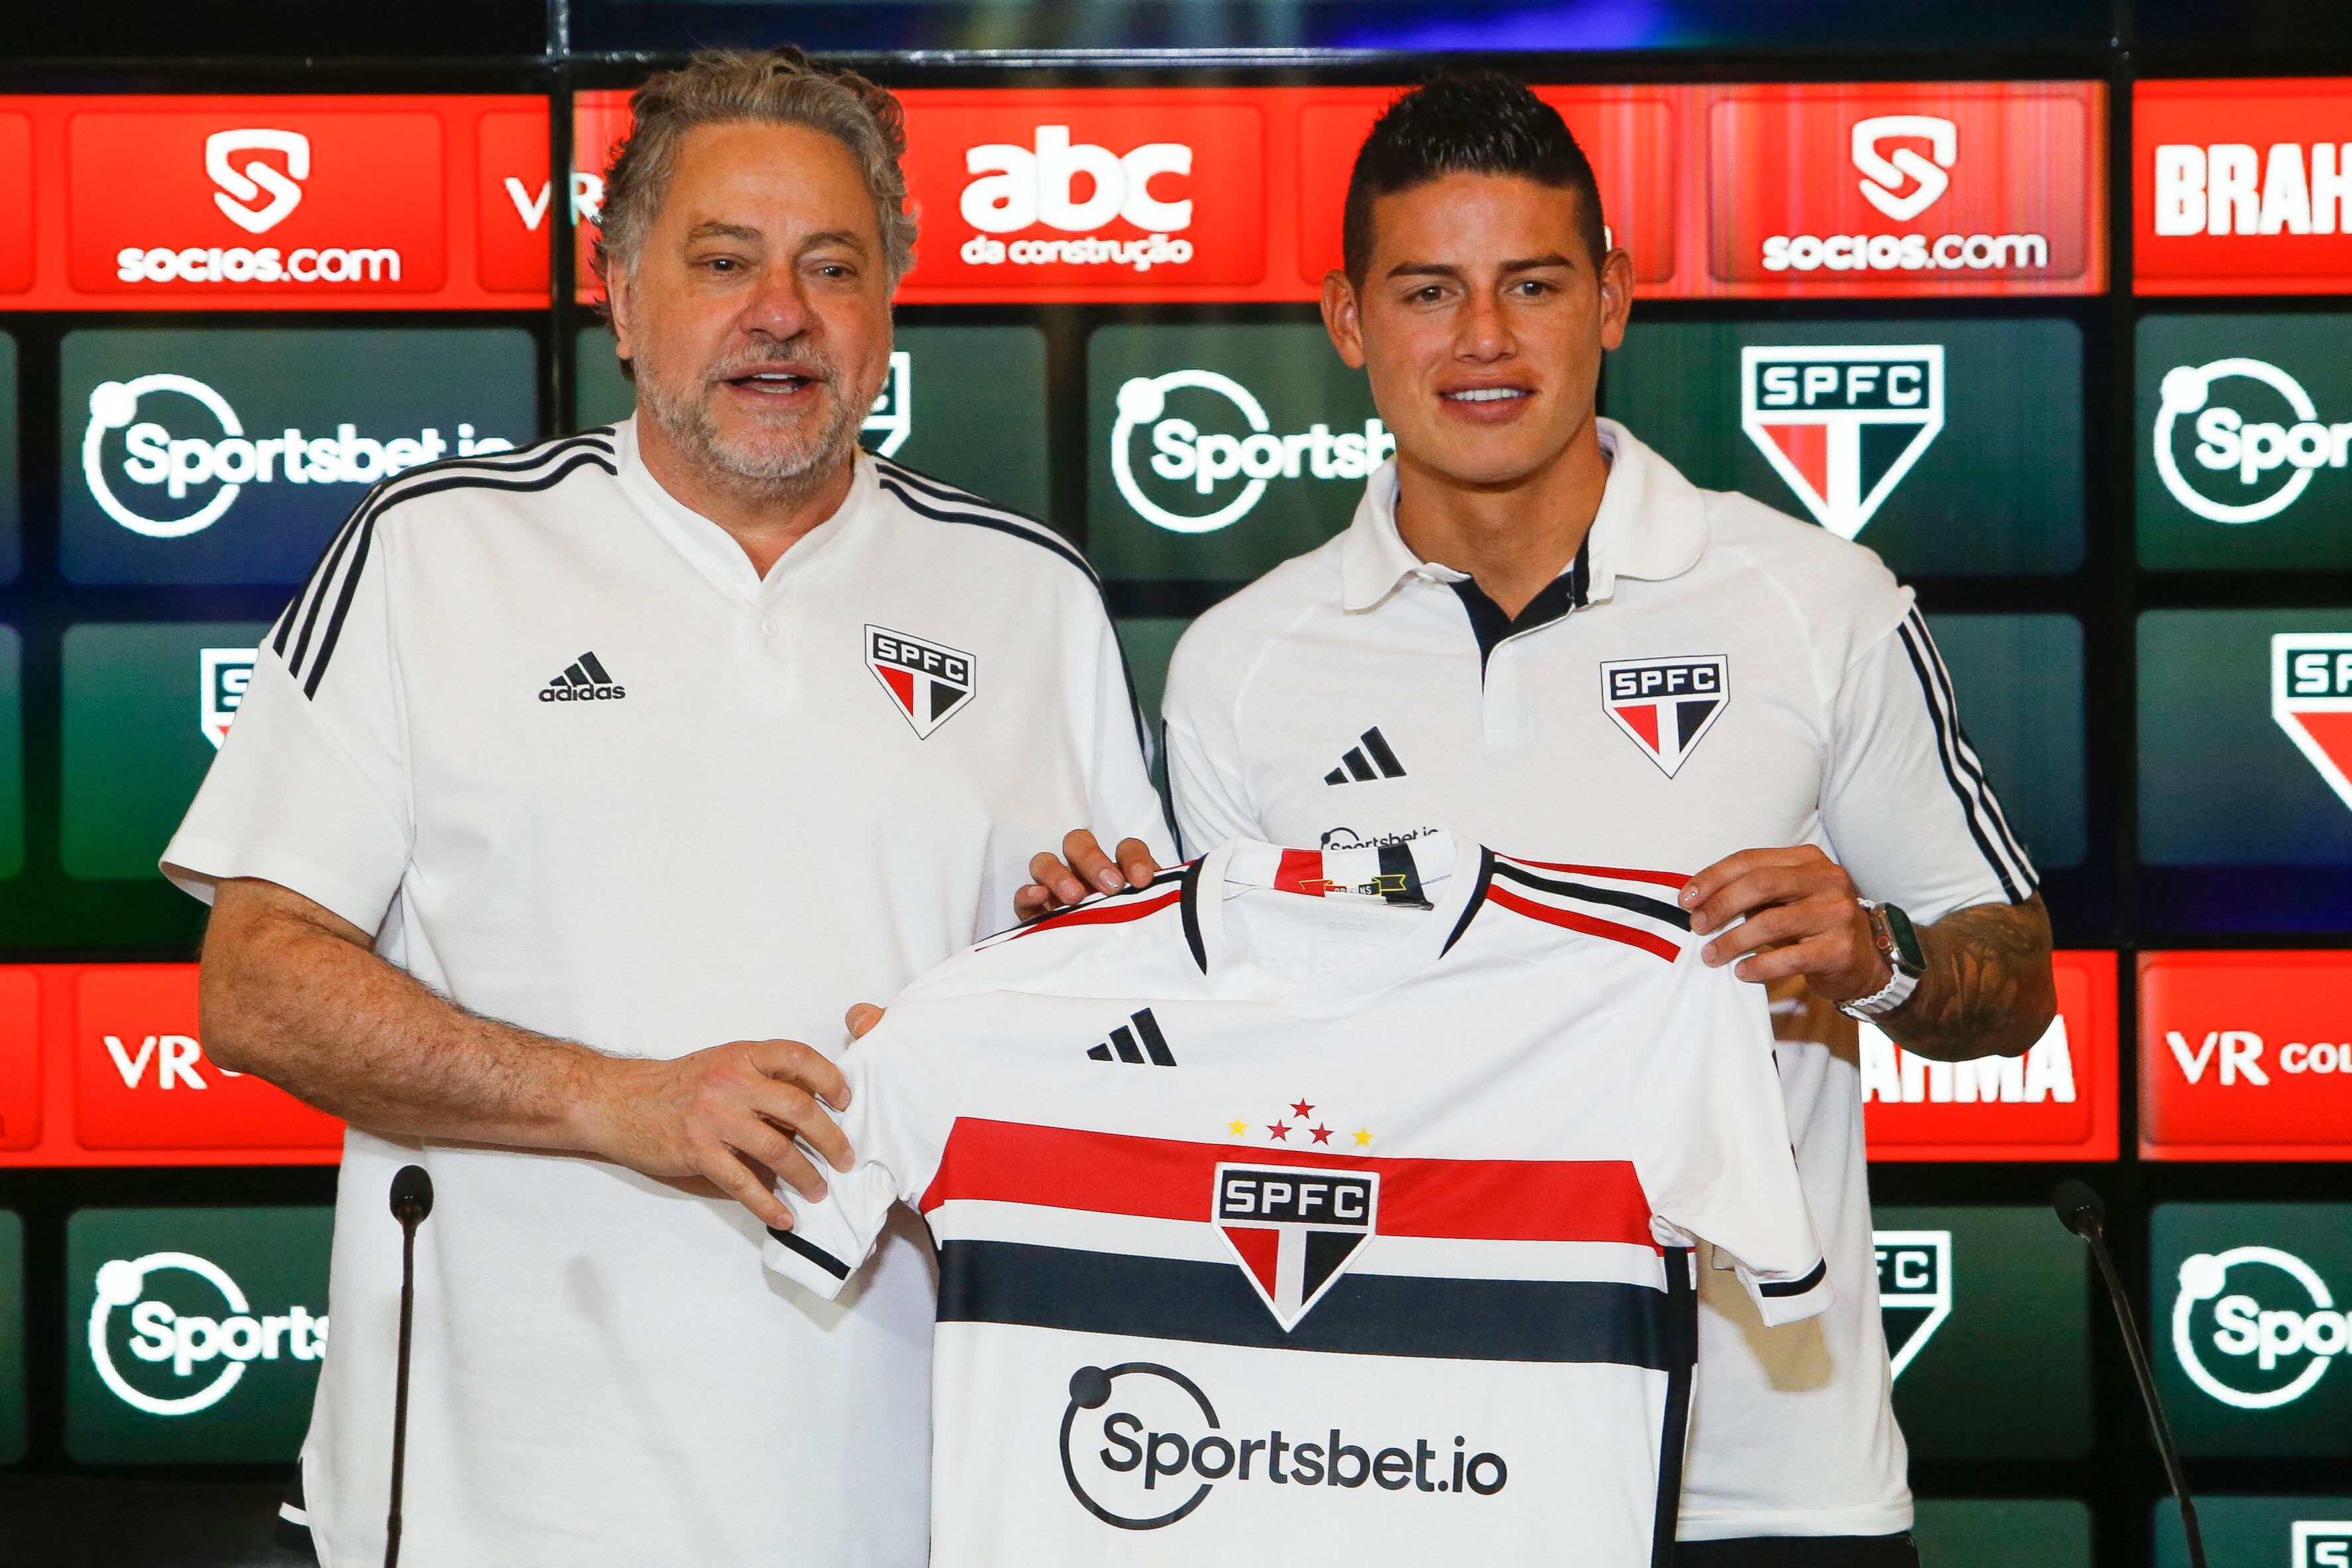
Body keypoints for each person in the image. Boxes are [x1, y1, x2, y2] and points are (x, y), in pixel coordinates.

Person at [1016, 73, 2055, 1567]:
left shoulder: (1811, 600)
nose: (1483, 340)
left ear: (1613, 299)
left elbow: (2009, 978)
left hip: (1759, 1491)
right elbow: (1219, 1082)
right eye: (1428, 290)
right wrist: (1101, 968)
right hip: (1383, 1463)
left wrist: (1873, 951)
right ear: (1347, 321)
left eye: (1532, 283)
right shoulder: (1244, 663)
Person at [167, 48, 1167, 1568]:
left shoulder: (1029, 599)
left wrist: (1085, 963)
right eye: (724, 262)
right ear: (622, 296)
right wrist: (618, 1099)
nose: (782, 312)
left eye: (832, 265)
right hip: (484, 1501)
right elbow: (253, 983)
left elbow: (1139, 1051)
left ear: (890, 301)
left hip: (902, 1489)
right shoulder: (434, 555)